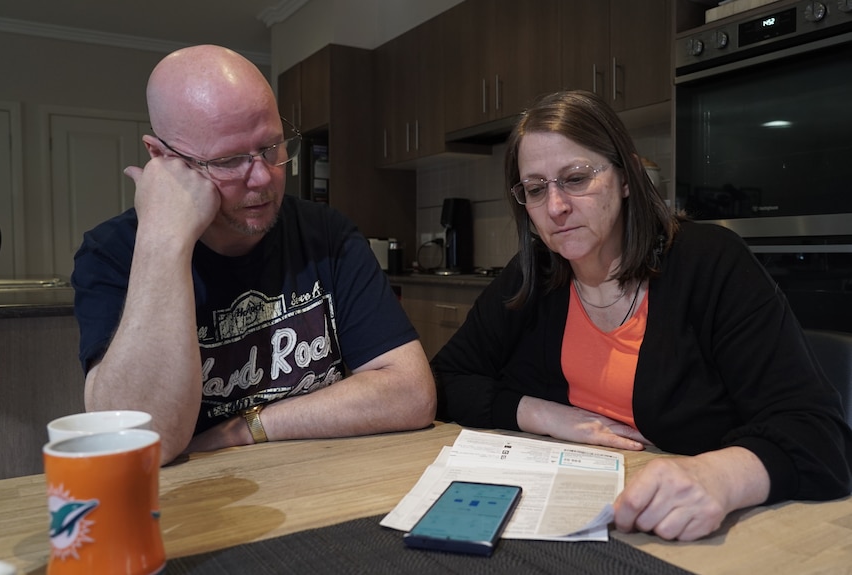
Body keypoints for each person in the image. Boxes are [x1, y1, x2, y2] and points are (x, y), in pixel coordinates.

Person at [431, 90, 852, 541]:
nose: (555, 207)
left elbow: (820, 438)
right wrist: (548, 416)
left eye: (575, 178)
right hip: (569, 517)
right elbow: (445, 380)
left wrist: (719, 477)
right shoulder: (535, 275)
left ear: (626, 177)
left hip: (700, 534)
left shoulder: (709, 262)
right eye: (536, 189)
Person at [71, 45, 436, 465]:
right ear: (163, 158)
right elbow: (140, 439)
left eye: (271, 148)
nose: (262, 177)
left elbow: (411, 393)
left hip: (318, 482)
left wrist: (246, 429)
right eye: (228, 161)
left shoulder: (327, 234)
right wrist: (164, 239)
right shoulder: (113, 253)